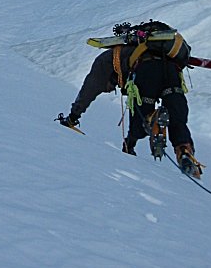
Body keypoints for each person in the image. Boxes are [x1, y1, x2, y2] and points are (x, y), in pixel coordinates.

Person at [57, 21, 203, 178]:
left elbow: (89, 89)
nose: (110, 89)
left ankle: (151, 118)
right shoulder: (163, 51)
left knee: (141, 115)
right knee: (177, 117)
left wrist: (73, 117)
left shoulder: (108, 59)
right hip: (172, 74)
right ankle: (184, 150)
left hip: (147, 72)